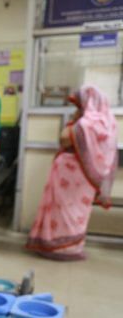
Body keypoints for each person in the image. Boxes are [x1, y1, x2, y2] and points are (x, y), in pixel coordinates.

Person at [26, 86, 118, 260]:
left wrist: (73, 122)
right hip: (81, 180)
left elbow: (64, 139)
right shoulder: (107, 122)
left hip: (73, 178)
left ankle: (59, 247)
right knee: (75, 213)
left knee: (66, 211)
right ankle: (70, 247)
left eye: (79, 105)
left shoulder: (88, 123)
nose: (77, 109)